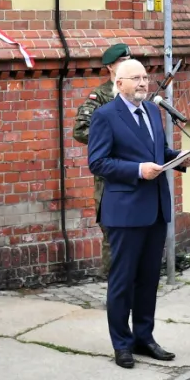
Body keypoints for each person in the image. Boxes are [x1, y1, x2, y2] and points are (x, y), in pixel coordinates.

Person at [87, 58, 190, 368]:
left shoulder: (152, 111)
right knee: (123, 281)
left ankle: (144, 338)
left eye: (145, 77)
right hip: (124, 211)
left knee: (148, 279)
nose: (143, 83)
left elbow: (157, 152)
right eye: (135, 78)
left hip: (155, 208)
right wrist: (137, 170)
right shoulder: (105, 115)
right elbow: (98, 162)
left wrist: (179, 158)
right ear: (119, 83)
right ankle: (122, 344)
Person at [72, 42, 131, 274]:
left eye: (130, 61)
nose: (128, 65)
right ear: (110, 67)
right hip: (110, 180)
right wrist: (115, 140)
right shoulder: (101, 97)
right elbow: (81, 130)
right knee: (113, 236)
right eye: (122, 62)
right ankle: (115, 286)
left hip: (136, 176)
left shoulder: (137, 96)